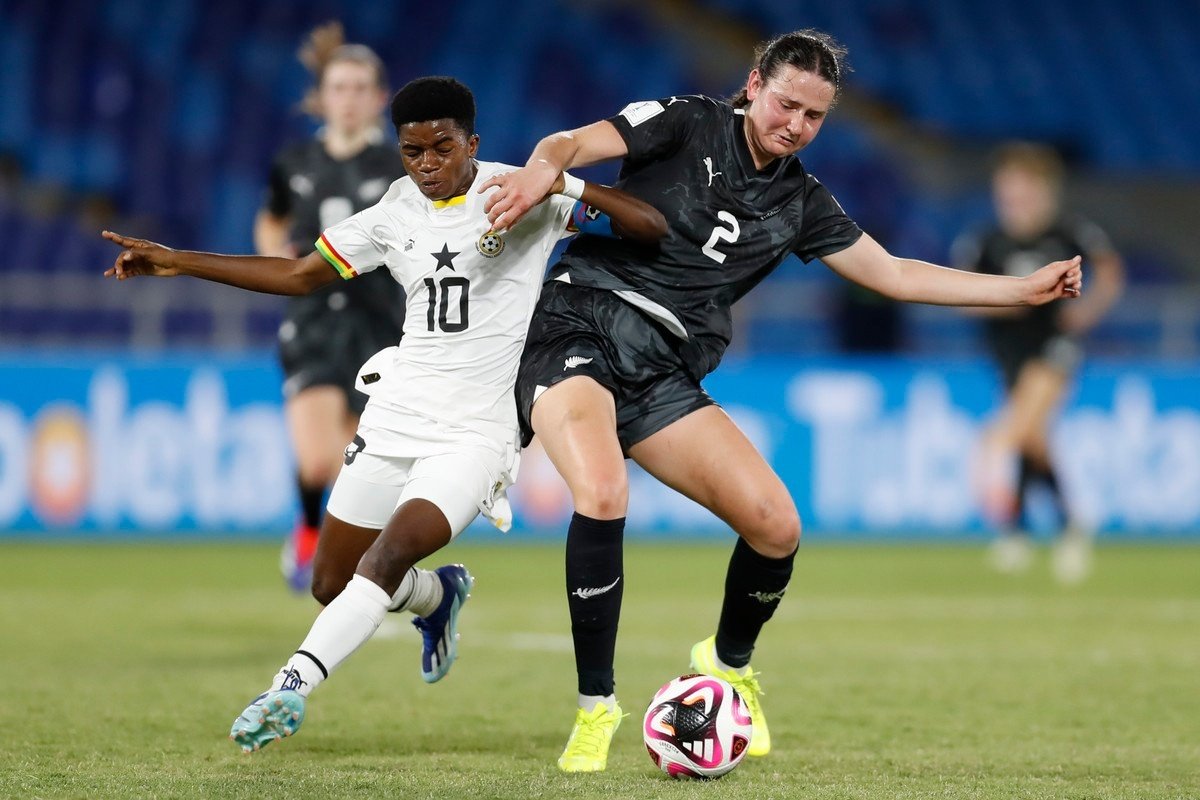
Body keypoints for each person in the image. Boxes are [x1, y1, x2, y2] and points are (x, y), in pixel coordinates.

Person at [480, 29, 1084, 772]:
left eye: (814, 116)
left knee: (775, 526)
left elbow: (893, 274)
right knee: (602, 489)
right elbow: (566, 143)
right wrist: (541, 173)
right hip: (580, 323)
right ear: (754, 84)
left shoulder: (801, 201)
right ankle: (595, 708)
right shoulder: (687, 120)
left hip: (664, 372)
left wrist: (1019, 291)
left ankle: (727, 664)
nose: (795, 124)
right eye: (787, 103)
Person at [101, 76, 666, 754]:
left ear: (472, 144)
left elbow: (649, 227)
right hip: (395, 417)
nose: (428, 165)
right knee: (330, 582)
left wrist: (566, 185)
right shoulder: (394, 212)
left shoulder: (521, 191)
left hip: (473, 434)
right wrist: (179, 263)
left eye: (443, 149)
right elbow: (301, 274)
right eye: (413, 152)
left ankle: (288, 686)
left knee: (388, 552)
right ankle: (435, 597)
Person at [258, 23, 408, 593]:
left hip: (380, 324)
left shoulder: (399, 168)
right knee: (320, 461)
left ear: (377, 98)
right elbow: (272, 216)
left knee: (358, 461)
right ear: (322, 97)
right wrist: (276, 259)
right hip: (314, 321)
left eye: (359, 88)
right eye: (337, 88)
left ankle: (357, 564)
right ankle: (305, 529)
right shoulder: (294, 162)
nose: (347, 99)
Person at [953, 142, 1124, 583]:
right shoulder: (986, 241)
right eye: (1006, 195)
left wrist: (1086, 313)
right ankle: (1066, 522)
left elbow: (1110, 271)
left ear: (1043, 192)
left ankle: (1014, 519)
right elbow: (962, 295)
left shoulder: (1068, 234)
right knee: (1034, 437)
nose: (1014, 203)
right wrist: (1007, 303)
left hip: (1054, 343)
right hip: (1007, 349)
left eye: (1022, 193)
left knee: (1019, 429)